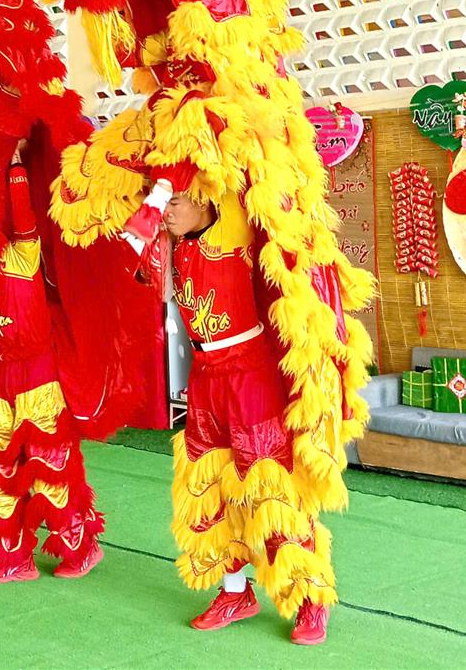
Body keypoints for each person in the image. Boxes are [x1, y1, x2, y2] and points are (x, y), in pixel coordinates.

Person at [160, 190, 335, 646]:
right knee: (211, 490)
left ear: (203, 198)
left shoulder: (232, 222)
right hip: (205, 377)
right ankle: (235, 593)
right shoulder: (173, 240)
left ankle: (310, 596)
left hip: (249, 375)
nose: (167, 209)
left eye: (176, 200)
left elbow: (236, 162)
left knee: (271, 487)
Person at [0, 156, 104, 583]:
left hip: (38, 375)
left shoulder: (23, 252)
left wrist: (15, 164)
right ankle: (13, 558)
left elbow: (24, 217)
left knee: (50, 468)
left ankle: (81, 549)